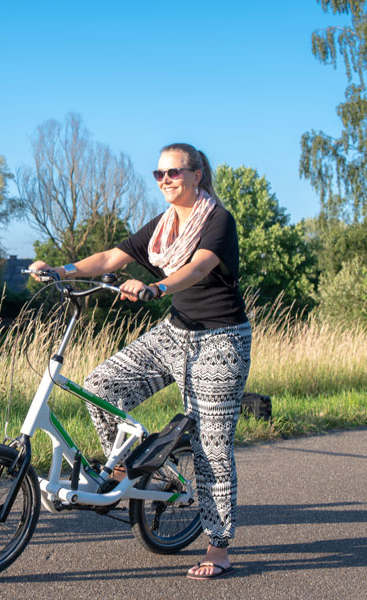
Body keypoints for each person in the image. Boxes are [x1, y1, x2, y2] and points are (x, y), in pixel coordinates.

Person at [29, 143, 251, 580]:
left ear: (197, 174)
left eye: (173, 173)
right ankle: (131, 464)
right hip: (175, 333)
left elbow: (200, 267)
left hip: (220, 342)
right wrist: (61, 269)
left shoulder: (218, 220)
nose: (165, 180)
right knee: (99, 386)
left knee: (211, 446)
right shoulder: (162, 227)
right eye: (159, 174)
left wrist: (158, 288)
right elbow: (112, 257)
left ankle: (218, 548)